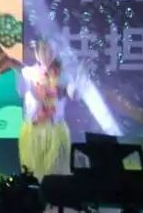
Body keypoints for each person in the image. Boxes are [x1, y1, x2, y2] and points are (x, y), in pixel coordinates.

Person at [15, 38, 90, 177]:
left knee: (57, 174)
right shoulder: (27, 72)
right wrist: (19, 73)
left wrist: (81, 79)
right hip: (33, 129)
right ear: (36, 52)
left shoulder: (63, 75)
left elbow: (74, 94)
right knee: (33, 173)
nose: (47, 54)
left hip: (57, 129)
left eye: (51, 50)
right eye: (43, 49)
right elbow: (21, 91)